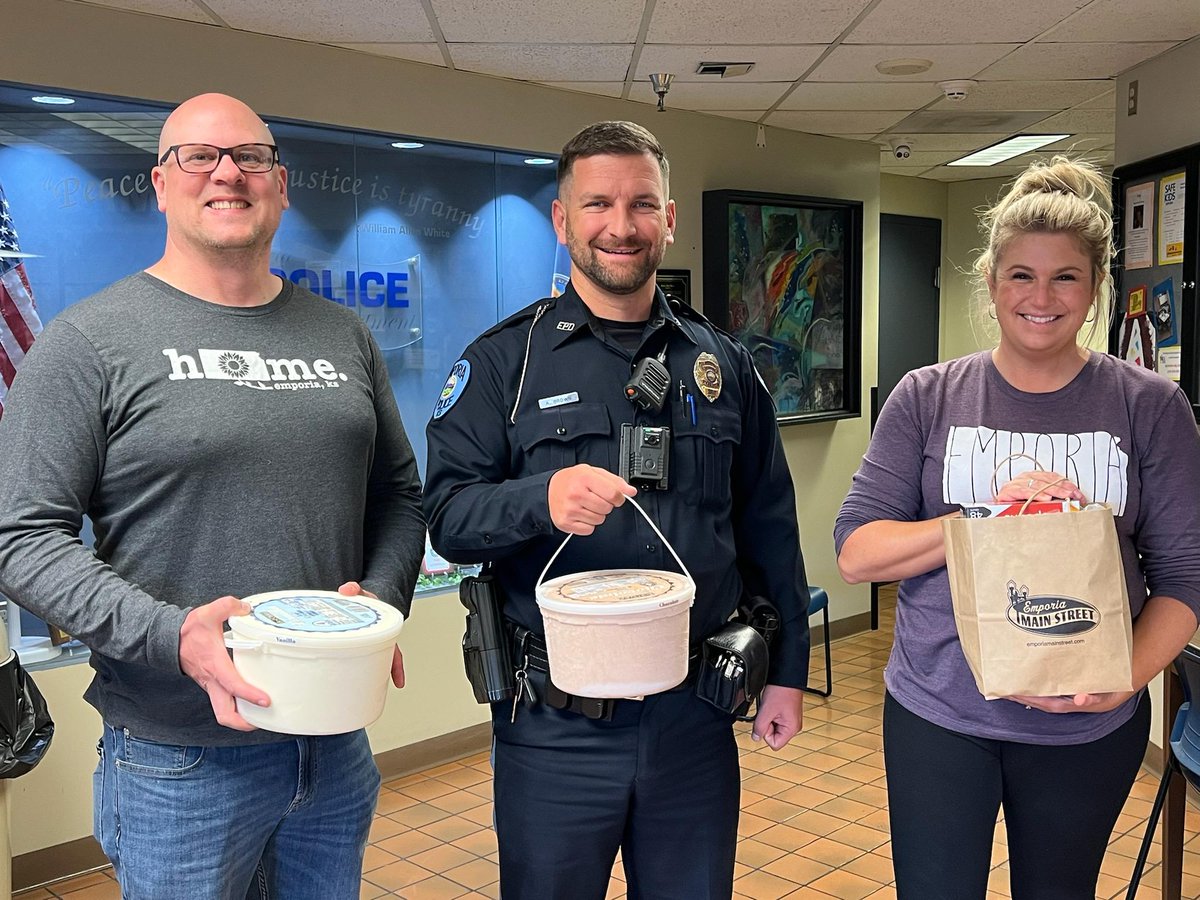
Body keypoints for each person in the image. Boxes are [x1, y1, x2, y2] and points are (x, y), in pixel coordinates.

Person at [0, 93, 425, 899]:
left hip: (331, 746)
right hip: (177, 762)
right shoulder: (87, 344)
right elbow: (21, 537)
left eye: (250, 157)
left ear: (281, 182)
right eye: (198, 156)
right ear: (160, 183)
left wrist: (376, 603)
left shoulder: (344, 335)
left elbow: (399, 497)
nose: (226, 173)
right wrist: (172, 634)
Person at [423, 121, 810, 899]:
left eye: (641, 203)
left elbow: (769, 523)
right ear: (563, 221)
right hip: (553, 727)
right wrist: (542, 499)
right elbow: (447, 515)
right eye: (597, 203)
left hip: (696, 718)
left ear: (669, 218)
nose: (621, 225)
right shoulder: (505, 362)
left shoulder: (722, 364)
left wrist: (788, 674)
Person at [835, 156, 1200, 899]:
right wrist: (984, 518)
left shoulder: (1151, 406)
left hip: (1087, 728)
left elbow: (1185, 579)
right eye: (1021, 276)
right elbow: (856, 552)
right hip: (942, 713)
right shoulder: (927, 397)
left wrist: (1120, 680)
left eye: (1065, 276)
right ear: (992, 283)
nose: (1042, 297)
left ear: (1096, 287)